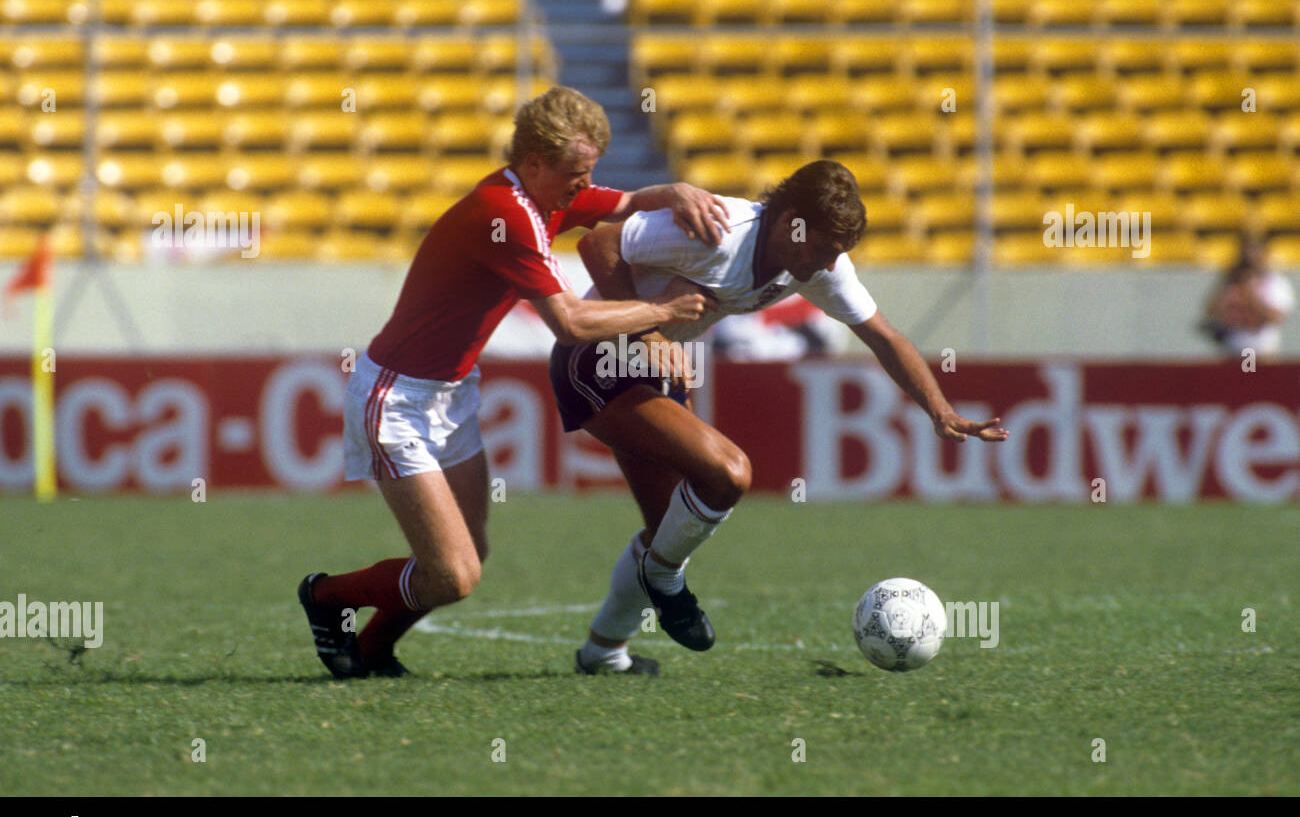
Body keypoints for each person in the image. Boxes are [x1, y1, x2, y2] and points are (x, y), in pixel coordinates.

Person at [298, 86, 730, 678]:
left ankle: (370, 651)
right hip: (394, 398)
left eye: (590, 172)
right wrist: (667, 311)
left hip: (449, 394)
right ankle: (327, 598)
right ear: (533, 164)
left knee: (464, 559)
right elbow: (572, 323)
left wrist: (677, 191)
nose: (585, 184)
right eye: (576, 173)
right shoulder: (504, 214)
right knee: (453, 574)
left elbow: (627, 201)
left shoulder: (545, 196)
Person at [550, 159, 1009, 675]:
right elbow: (600, 243)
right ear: (791, 219)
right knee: (727, 474)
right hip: (596, 361)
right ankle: (663, 583)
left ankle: (604, 654)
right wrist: (648, 333)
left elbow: (884, 336)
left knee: (668, 531)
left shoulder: (816, 262)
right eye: (820, 249)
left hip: (655, 374)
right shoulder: (719, 229)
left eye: (836, 254)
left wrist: (940, 411)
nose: (826, 265)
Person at [1201, 240, 1294, 359]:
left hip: (1263, 350)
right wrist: (1226, 282)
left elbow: (1275, 317)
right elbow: (1211, 311)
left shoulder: (1275, 282)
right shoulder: (1231, 282)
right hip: (1233, 350)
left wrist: (1249, 294)